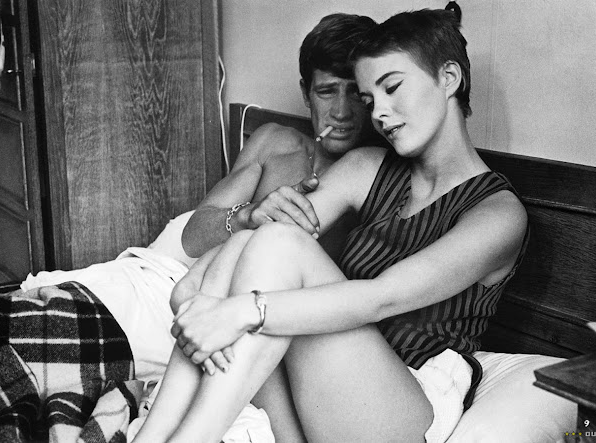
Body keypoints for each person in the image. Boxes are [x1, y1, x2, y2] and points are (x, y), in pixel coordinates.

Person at [134, 8, 529, 443]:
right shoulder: (367, 166)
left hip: (407, 405)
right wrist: (200, 291)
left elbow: (382, 298)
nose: (379, 113)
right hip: (326, 389)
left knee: (280, 250)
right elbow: (265, 238)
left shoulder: (499, 213)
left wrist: (239, 310)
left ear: (449, 78)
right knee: (271, 237)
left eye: (392, 87)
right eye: (370, 100)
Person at [181, 13, 378, 263]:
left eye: (355, 93)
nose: (341, 112)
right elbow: (192, 238)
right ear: (306, 94)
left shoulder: (379, 172)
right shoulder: (273, 142)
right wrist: (248, 216)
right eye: (326, 91)